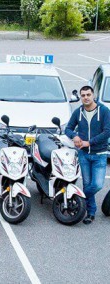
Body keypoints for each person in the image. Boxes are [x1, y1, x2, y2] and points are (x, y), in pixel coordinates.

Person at [65, 85, 110, 225]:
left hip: (99, 154)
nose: (85, 97)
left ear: (93, 95)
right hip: (83, 155)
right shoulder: (78, 112)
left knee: (96, 184)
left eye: (88, 95)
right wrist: (75, 136)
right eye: (83, 95)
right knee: (86, 183)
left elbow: (107, 132)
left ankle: (79, 199)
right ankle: (90, 213)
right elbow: (68, 128)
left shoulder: (103, 111)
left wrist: (89, 143)